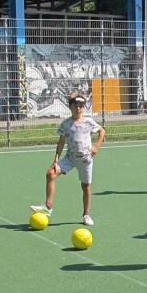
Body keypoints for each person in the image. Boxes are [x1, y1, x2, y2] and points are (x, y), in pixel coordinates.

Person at [30, 91, 106, 226]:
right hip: (69, 158)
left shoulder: (89, 122)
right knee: (50, 173)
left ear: (84, 107)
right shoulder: (65, 124)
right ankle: (48, 206)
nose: (78, 108)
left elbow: (102, 131)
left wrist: (96, 147)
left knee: (86, 186)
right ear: (70, 107)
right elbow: (61, 142)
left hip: (85, 160)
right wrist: (56, 159)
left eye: (81, 106)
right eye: (75, 105)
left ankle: (86, 214)